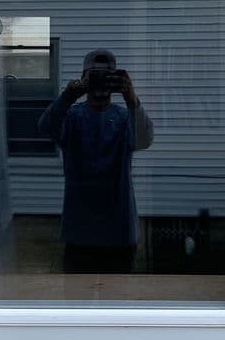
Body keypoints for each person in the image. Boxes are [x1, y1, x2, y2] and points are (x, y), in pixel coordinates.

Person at [38, 49, 154, 273]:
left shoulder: (124, 118)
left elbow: (145, 139)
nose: (101, 83)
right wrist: (68, 96)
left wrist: (132, 99)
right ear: (83, 79)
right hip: (81, 231)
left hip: (117, 231)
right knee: (77, 294)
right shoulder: (72, 116)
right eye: (95, 77)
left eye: (107, 77)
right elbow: (45, 128)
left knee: (117, 294)